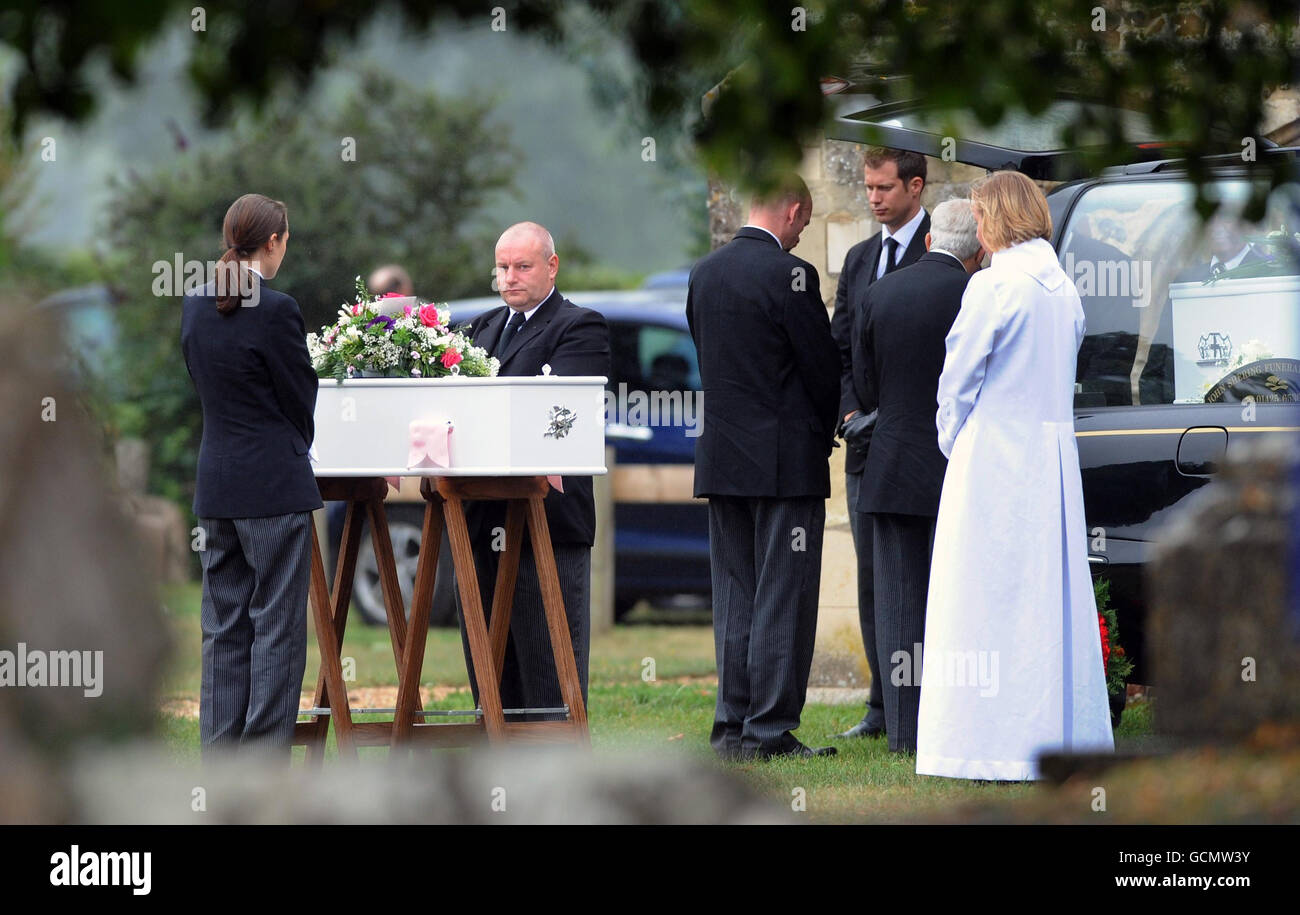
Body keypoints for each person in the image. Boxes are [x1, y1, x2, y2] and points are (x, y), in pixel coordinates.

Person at [916, 171, 1114, 781]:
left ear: (996, 216)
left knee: (981, 601)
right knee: (1044, 601)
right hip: (1049, 461)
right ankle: (1052, 735)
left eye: (979, 215)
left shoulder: (993, 286)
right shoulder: (1063, 289)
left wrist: (956, 442)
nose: (975, 226)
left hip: (994, 459)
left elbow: (958, 380)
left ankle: (982, 743)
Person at [688, 175, 840, 761]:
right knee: (784, 594)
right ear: (794, 209)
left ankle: (731, 728)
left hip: (723, 458)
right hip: (784, 462)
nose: (802, 232)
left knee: (734, 594)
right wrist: (821, 430)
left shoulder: (705, 273)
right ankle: (770, 730)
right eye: (804, 222)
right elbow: (822, 369)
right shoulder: (791, 276)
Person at [180, 193, 322, 757]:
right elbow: (299, 397)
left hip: (216, 486)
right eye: (285, 241)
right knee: (278, 631)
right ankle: (263, 760)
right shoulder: (278, 309)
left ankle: (220, 760)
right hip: (273, 489)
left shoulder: (194, 303)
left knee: (224, 629)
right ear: (274, 242)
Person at [457, 222, 610, 721]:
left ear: (552, 265)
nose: (509, 277)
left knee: (550, 674)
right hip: (480, 521)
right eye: (502, 267)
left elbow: (560, 416)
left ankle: (556, 780)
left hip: (546, 520)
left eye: (522, 267)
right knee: (490, 674)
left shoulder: (579, 326)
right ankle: (494, 777)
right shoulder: (480, 329)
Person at [852, 198, 983, 754]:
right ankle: (954, 724)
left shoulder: (880, 293)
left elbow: (865, 383)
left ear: (930, 240)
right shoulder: (978, 295)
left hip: (890, 468)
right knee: (958, 602)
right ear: (978, 251)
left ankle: (903, 732)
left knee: (898, 606)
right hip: (959, 470)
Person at [830, 147, 931, 740]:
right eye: (867, 188)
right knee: (873, 579)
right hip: (866, 446)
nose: (872, 198)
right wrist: (848, 412)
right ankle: (881, 704)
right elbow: (840, 348)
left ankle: (924, 704)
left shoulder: (943, 252)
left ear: (914, 187)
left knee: (920, 577)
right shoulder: (859, 258)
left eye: (884, 188)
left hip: (921, 447)